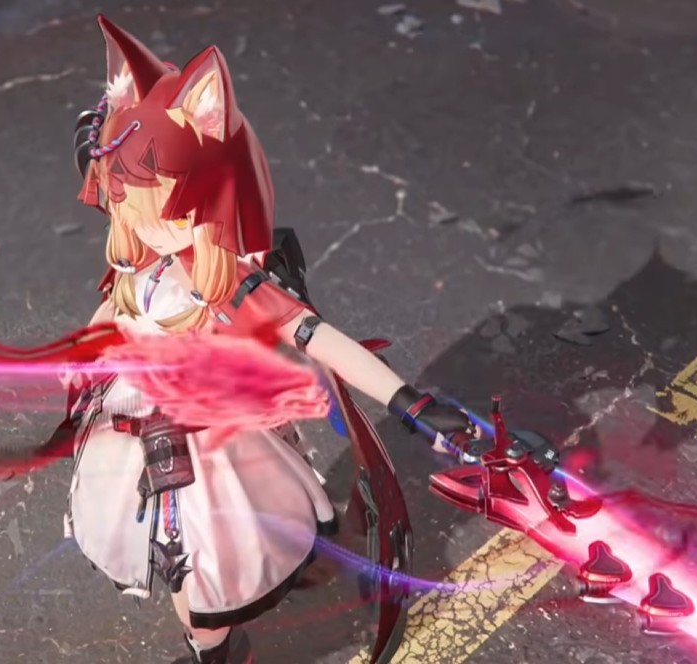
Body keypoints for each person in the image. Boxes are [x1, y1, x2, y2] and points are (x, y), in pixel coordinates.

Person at [61, 16, 477, 664]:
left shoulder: (229, 285)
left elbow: (319, 338)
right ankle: (218, 644)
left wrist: (409, 403)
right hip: (139, 434)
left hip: (208, 447)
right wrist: (86, 354)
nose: (142, 226)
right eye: (128, 207)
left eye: (157, 210)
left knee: (203, 580)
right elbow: (114, 312)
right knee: (179, 565)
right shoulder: (141, 266)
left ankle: (220, 646)